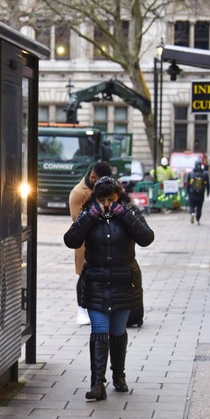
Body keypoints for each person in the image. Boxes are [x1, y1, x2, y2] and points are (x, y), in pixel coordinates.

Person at [64, 176, 155, 401]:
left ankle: (119, 375)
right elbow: (71, 240)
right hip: (96, 282)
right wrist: (90, 217)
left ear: (119, 197)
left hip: (123, 283)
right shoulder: (89, 213)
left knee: (117, 332)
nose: (106, 204)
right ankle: (97, 383)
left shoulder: (129, 212)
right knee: (99, 331)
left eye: (111, 199)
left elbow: (146, 238)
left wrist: (123, 215)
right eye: (102, 199)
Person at [68, 160, 113, 326]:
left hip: (106, 239)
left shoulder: (107, 186)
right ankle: (81, 308)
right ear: (93, 177)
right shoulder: (79, 193)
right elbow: (76, 220)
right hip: (86, 241)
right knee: (84, 275)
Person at [186, 160, 210, 224]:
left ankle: (192, 213)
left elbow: (188, 185)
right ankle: (198, 220)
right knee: (199, 207)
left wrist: (188, 192)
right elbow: (207, 184)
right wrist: (208, 192)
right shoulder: (205, 173)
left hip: (192, 193)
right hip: (201, 193)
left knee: (191, 205)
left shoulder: (190, 173)